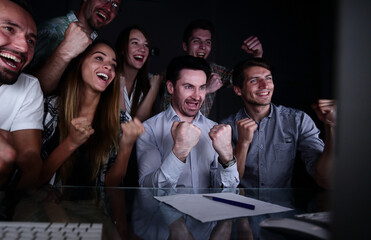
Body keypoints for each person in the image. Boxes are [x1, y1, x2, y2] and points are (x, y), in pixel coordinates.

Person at [38, 41, 144, 187]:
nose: (108, 67)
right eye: (99, 58)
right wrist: (71, 143)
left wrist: (126, 147)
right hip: (46, 205)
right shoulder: (50, 107)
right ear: (80, 62)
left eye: (113, 65)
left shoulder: (121, 121)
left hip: (92, 207)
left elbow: (111, 186)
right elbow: (33, 178)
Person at [222, 58, 336, 189]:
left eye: (268, 78)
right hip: (242, 206)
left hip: (284, 207)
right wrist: (243, 143)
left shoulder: (298, 120)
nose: (264, 85)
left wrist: (331, 125)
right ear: (238, 90)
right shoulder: (226, 127)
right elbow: (230, 183)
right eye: (254, 80)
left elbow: (325, 180)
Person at [136, 55, 239, 188]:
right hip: (165, 209)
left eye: (202, 87)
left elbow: (227, 189)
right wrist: (179, 152)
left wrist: (227, 158)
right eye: (189, 87)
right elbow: (147, 188)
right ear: (171, 88)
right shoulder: (149, 129)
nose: (197, 96)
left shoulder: (214, 129)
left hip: (206, 209)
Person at [161, 19, 264, 118]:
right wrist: (206, 89)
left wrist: (257, 56)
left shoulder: (213, 69)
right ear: (185, 46)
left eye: (207, 42)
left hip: (202, 132)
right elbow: (167, 114)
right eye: (196, 41)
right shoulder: (173, 71)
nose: (203, 47)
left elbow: (243, 78)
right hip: (175, 133)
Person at [27, 0, 122, 94]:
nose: (108, 8)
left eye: (115, 5)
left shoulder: (96, 44)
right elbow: (30, 89)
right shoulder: (52, 31)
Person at [0, 0, 44, 189]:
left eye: (31, 41)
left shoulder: (29, 87)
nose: (23, 48)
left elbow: (30, 162)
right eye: (9, 29)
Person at [115, 25, 162, 122]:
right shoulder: (108, 77)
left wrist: (153, 89)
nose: (142, 49)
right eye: (135, 43)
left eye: (146, 45)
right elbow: (120, 124)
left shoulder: (148, 82)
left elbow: (138, 125)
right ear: (122, 49)